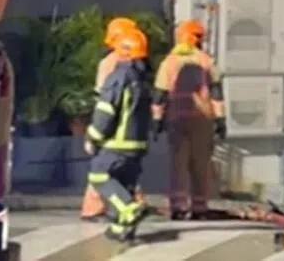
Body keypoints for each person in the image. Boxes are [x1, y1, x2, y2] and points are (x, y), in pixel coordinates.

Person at [152, 19, 226, 220]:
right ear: (198, 39)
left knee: (177, 164)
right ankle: (199, 208)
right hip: (202, 119)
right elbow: (217, 93)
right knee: (200, 164)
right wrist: (221, 119)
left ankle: (178, 207)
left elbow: (160, 94)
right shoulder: (206, 61)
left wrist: (157, 120)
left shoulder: (169, 62)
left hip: (176, 120)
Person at [85, 27, 152, 241]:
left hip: (117, 143)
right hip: (137, 145)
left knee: (98, 174)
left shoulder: (119, 76)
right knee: (123, 184)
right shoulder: (142, 78)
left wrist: (93, 137)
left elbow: (106, 111)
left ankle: (128, 209)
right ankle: (120, 227)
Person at [81, 16, 141, 220]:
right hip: (117, 127)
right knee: (102, 169)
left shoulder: (113, 63)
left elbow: (104, 100)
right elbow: (107, 102)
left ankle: (107, 207)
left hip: (114, 126)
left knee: (104, 168)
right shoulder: (121, 65)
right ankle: (100, 207)